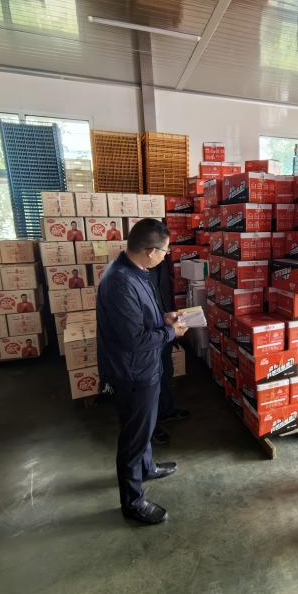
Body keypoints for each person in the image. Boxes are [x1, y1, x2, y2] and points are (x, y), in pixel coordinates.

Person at [97, 218, 188, 525]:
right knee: (133, 438)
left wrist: (165, 317)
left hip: (144, 366)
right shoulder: (120, 282)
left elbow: (141, 315)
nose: (166, 256)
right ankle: (133, 502)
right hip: (132, 372)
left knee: (144, 425)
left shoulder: (135, 270)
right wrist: (171, 332)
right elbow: (135, 340)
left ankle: (147, 468)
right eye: (165, 251)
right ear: (150, 251)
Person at [148, 256, 189, 446]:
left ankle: (166, 410)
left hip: (164, 327)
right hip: (149, 337)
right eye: (164, 249)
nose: (166, 253)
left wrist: (169, 318)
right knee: (151, 382)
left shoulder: (161, 263)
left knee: (166, 371)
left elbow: (163, 292)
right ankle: (151, 426)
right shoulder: (132, 276)